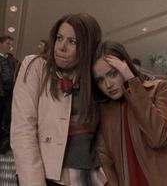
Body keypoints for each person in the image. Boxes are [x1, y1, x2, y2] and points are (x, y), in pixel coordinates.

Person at [10, 13, 107, 186]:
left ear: (88, 46)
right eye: (59, 38)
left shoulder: (97, 77)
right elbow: (23, 129)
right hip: (47, 175)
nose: (61, 47)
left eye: (72, 41)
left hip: (92, 178)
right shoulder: (36, 66)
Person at [93, 41, 167, 186]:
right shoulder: (103, 111)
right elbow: (106, 162)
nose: (108, 84)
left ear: (125, 67)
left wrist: (132, 83)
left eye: (113, 73)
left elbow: (158, 138)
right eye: (100, 80)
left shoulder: (158, 89)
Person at [0, 35, 17, 154]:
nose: (10, 47)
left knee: (7, 117)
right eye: (7, 44)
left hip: (9, 94)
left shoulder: (12, 60)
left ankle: (4, 143)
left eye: (11, 44)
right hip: (0, 93)